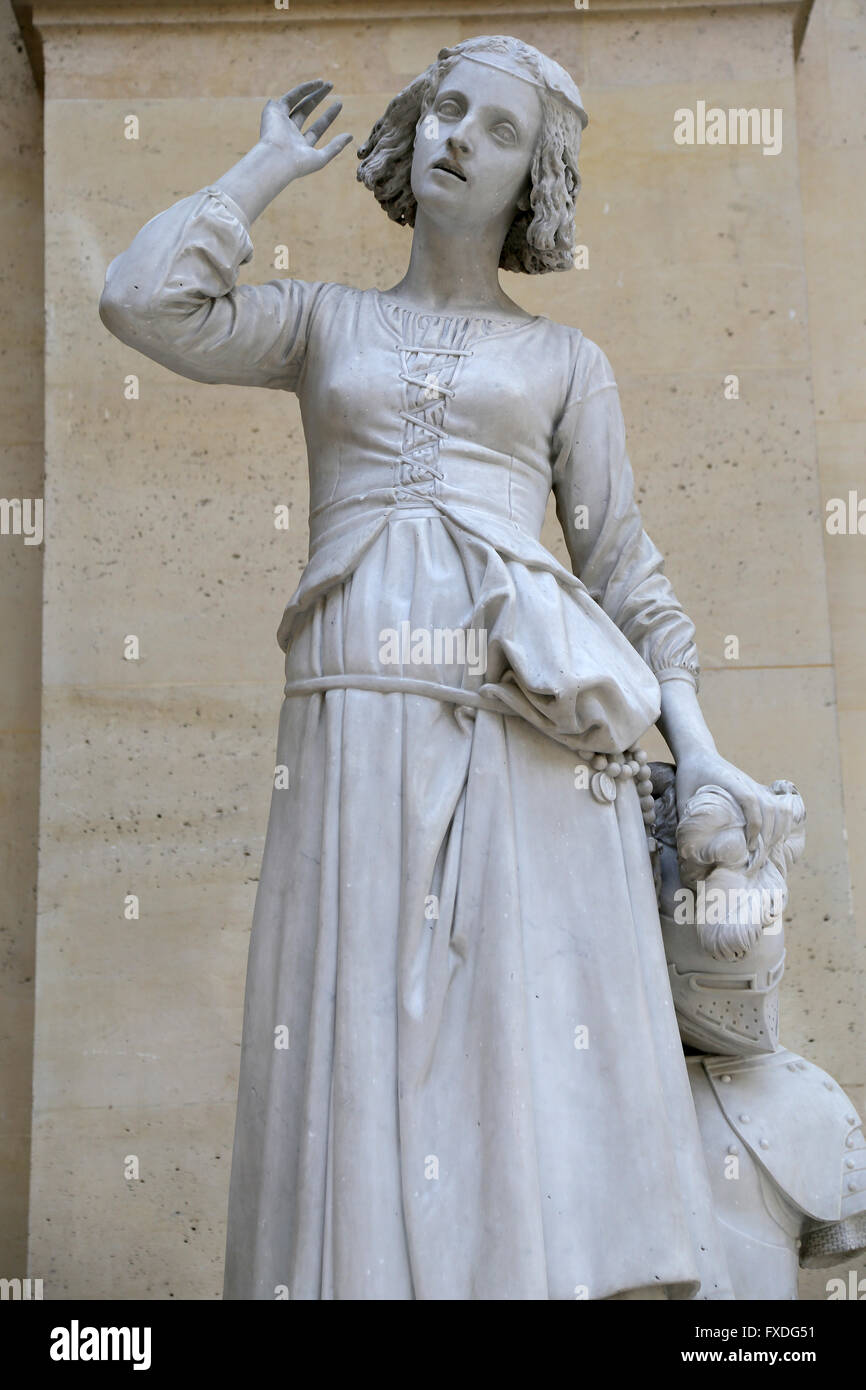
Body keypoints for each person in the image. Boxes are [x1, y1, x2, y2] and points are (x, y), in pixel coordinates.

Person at [99, 34, 781, 1300]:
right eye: (446, 109)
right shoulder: (323, 321)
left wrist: (700, 750)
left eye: (498, 129)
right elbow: (143, 303)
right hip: (354, 727)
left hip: (518, 740)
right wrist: (260, 169)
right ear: (411, 128)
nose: (458, 135)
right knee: (349, 1026)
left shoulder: (563, 360)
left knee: (506, 1060)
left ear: (535, 180)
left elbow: (626, 571)